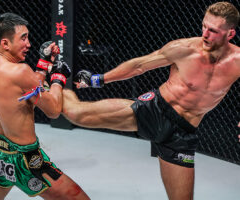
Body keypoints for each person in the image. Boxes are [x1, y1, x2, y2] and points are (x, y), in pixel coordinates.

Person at [61, 2, 240, 200]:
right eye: (204, 26)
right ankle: (56, 82)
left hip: (182, 134)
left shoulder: (237, 61)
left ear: (230, 34)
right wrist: (98, 79)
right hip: (155, 110)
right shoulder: (184, 49)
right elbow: (139, 66)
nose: (205, 34)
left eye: (213, 30)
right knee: (75, 114)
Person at [0, 13, 90, 200]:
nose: (29, 44)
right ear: (5, 43)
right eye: (23, 38)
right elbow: (54, 110)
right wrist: (58, 78)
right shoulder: (20, 71)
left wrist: (44, 63)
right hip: (26, 160)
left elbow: (26, 89)